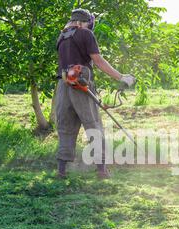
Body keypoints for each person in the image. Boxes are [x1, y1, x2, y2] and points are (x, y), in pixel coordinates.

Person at [56, 9, 135, 179]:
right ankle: (101, 170)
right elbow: (98, 61)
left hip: (63, 86)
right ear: (84, 22)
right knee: (94, 126)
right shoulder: (85, 34)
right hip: (81, 86)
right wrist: (122, 77)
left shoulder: (62, 36)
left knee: (65, 128)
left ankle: (61, 171)